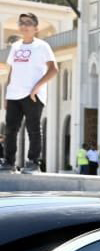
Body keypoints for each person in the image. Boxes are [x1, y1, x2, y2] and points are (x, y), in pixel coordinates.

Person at [1, 12, 57, 173]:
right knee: (10, 130)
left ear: (36, 28)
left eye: (28, 23)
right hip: (13, 95)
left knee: (33, 129)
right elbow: (12, 71)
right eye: (21, 23)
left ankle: (33, 162)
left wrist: (37, 87)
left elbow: (53, 70)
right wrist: (7, 94)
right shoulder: (15, 46)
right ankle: (9, 162)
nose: (24, 26)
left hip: (33, 95)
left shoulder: (42, 46)